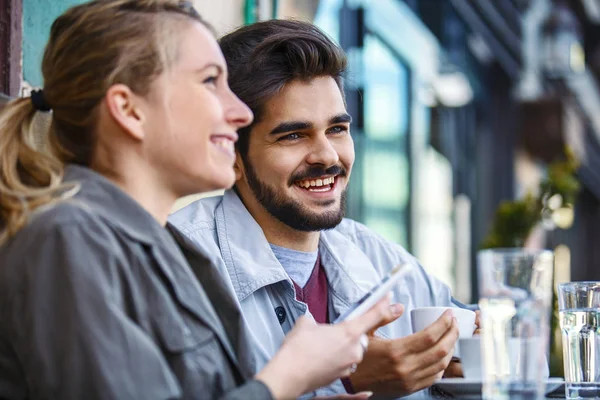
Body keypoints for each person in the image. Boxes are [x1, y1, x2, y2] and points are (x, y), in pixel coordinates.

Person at [0, 2, 394, 399]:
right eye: (210, 82)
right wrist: (284, 381)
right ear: (129, 110)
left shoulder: (172, 250)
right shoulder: (67, 241)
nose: (240, 113)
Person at [169, 19, 472, 398]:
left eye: (337, 129)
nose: (327, 156)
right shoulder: (178, 267)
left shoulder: (376, 257)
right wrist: (343, 382)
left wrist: (469, 368)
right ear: (233, 154)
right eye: (293, 135)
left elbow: (493, 343)